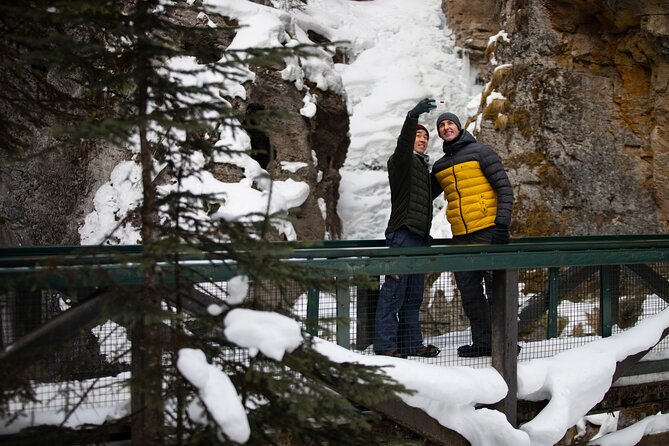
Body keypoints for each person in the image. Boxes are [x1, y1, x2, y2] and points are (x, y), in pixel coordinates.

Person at [431, 112, 514, 358]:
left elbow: (504, 188)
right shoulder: (440, 166)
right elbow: (422, 198)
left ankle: (505, 343)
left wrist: (501, 226)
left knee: (497, 291)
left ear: (458, 126)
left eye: (450, 123)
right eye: (442, 125)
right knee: (470, 295)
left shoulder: (482, 152)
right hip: (461, 238)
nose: (446, 128)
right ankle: (482, 342)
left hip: (489, 231)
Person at [373, 98, 441, 359]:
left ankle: (412, 344)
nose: (422, 139)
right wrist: (412, 118)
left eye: (425, 137)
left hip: (419, 239)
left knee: (413, 297)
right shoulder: (400, 162)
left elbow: (428, 195)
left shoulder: (423, 170)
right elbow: (402, 146)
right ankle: (386, 346)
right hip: (402, 235)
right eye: (417, 136)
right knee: (394, 293)